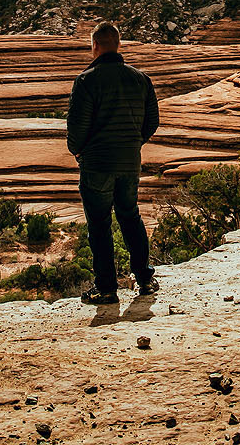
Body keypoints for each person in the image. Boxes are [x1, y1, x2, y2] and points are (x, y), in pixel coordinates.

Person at [68, 21, 159, 305]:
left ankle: (106, 288)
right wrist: (133, 144)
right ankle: (144, 279)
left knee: (99, 224)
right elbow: (152, 122)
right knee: (130, 216)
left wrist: (78, 151)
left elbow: (76, 127)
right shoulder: (140, 78)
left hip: (96, 163)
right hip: (129, 162)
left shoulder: (86, 80)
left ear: (94, 45)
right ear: (119, 44)